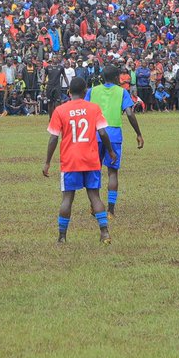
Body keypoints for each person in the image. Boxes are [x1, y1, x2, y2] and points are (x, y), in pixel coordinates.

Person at [43, 76, 116, 244]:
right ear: (85, 92)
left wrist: (47, 162)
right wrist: (110, 151)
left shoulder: (60, 110)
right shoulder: (93, 108)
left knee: (67, 199)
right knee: (95, 197)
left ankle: (62, 237)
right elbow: (103, 133)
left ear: (69, 92)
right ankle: (104, 233)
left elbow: (53, 138)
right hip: (91, 159)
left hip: (70, 161)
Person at [86, 65, 144, 215]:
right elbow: (130, 113)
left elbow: (84, 110)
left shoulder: (92, 91)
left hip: (95, 134)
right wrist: (138, 133)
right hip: (114, 135)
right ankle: (111, 210)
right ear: (116, 78)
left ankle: (95, 204)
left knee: (94, 170)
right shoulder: (122, 92)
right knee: (112, 172)